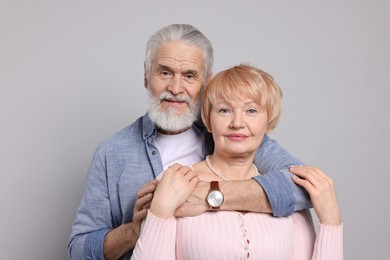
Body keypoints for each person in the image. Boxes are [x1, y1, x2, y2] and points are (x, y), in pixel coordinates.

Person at [68, 24, 311, 260]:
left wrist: (209, 196)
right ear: (145, 76)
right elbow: (79, 249)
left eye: (189, 76)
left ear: (206, 82)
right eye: (164, 72)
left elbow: (303, 186)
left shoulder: (230, 135)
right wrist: (137, 230)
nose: (175, 88)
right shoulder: (111, 153)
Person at [131, 64, 343, 259]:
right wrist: (158, 211)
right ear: (208, 119)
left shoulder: (287, 194)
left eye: (251, 111)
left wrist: (331, 222)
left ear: (269, 122)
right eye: (225, 110)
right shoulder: (175, 183)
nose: (237, 123)